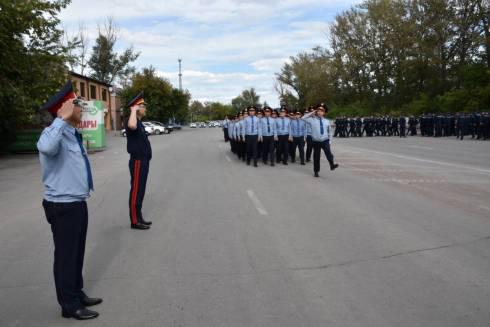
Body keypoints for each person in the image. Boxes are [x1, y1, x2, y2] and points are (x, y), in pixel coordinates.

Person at [37, 81, 102, 320]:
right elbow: (45, 147)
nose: (81, 107)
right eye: (77, 103)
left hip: (76, 202)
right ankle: (69, 305)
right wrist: (60, 120)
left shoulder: (72, 134)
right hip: (62, 205)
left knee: (76, 253)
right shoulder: (53, 133)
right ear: (64, 107)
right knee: (66, 255)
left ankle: (76, 292)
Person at [125, 92, 152, 230]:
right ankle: (134, 221)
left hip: (144, 161)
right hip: (137, 162)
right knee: (136, 190)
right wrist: (133, 110)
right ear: (136, 107)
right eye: (143, 106)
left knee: (141, 190)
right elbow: (131, 126)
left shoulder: (139, 122)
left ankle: (139, 217)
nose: (145, 108)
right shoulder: (132, 120)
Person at [302, 103, 339, 177]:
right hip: (316, 141)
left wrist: (330, 141)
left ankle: (332, 164)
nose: (320, 112)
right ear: (316, 111)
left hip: (325, 140)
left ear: (324, 113)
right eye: (318, 110)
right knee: (316, 157)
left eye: (322, 111)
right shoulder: (312, 120)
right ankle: (316, 171)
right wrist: (312, 112)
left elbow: (329, 132)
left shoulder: (326, 121)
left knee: (328, 152)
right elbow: (303, 118)